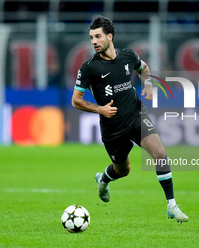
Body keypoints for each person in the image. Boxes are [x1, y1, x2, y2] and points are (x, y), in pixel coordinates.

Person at [71, 15, 188, 222]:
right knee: (122, 170)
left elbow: (143, 68)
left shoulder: (128, 56)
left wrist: (148, 85)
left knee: (160, 153)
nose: (94, 42)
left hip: (136, 115)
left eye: (98, 36)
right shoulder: (89, 68)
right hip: (113, 127)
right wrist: (100, 109)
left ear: (110, 36)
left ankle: (171, 205)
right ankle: (103, 180)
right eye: (91, 38)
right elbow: (76, 100)